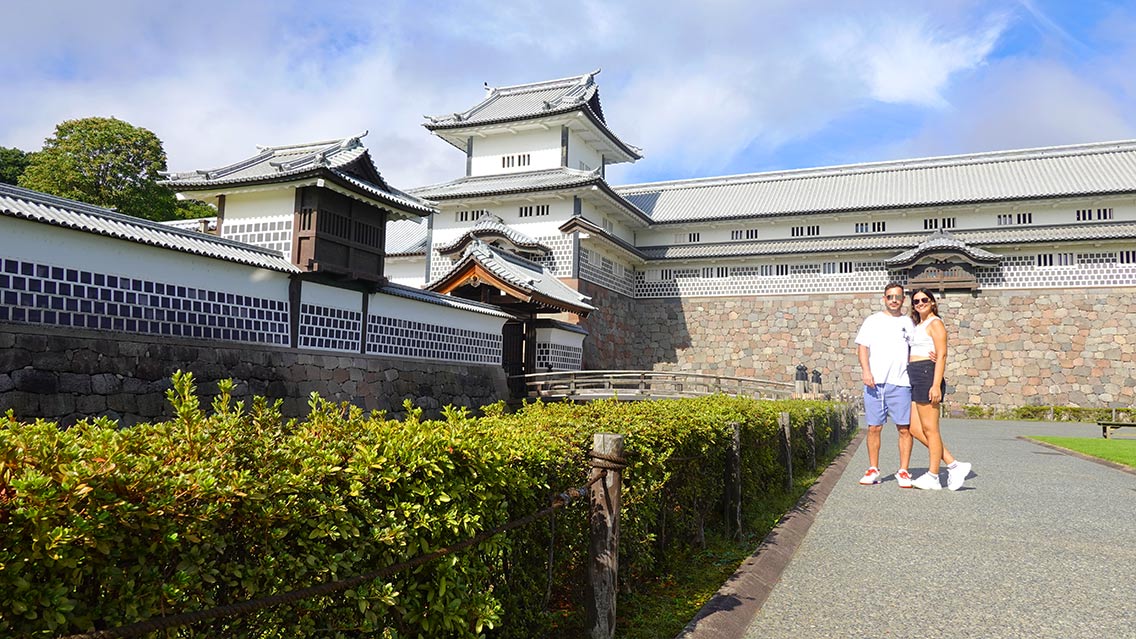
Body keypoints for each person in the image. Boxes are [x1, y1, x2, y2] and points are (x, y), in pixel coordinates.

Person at [906, 288, 971, 491]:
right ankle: (953, 464)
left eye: (925, 300)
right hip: (915, 373)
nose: (920, 303)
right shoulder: (919, 324)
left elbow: (942, 355)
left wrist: (936, 384)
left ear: (933, 302)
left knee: (931, 430)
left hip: (927, 373)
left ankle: (933, 475)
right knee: (914, 429)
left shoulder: (936, 323)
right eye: (916, 301)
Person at [854, 282, 915, 487]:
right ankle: (873, 468)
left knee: (904, 429)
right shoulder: (873, 321)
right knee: (874, 427)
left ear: (903, 299)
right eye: (890, 297)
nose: (894, 300)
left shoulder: (909, 322)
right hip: (875, 382)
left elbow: (916, 349)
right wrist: (866, 371)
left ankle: (904, 471)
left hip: (901, 382)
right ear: (884, 299)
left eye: (897, 297)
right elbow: (863, 347)